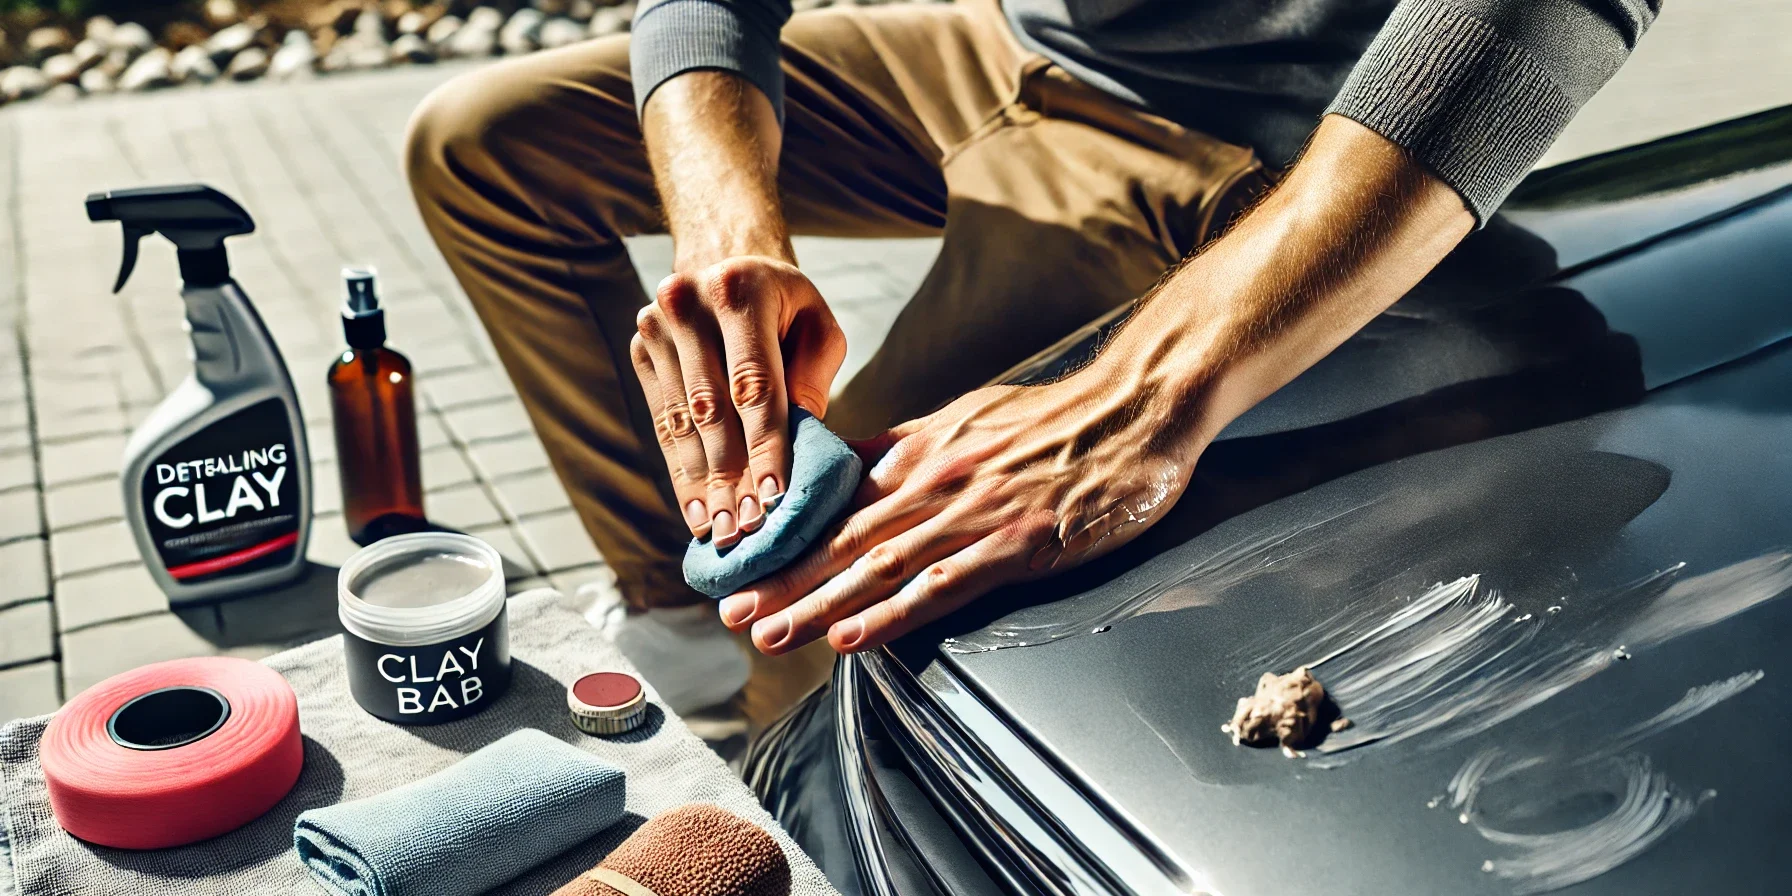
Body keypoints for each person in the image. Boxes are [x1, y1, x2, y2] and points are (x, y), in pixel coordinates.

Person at [405, 0, 1659, 721]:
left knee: (828, 580)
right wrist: (726, 231)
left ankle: (771, 734)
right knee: (481, 144)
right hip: (1004, 47)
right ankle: (685, 633)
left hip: (1266, 128)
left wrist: (1139, 391)